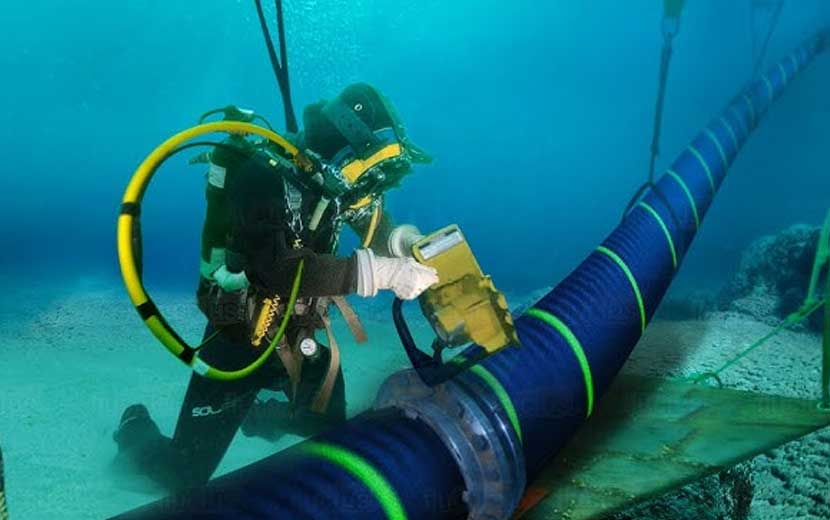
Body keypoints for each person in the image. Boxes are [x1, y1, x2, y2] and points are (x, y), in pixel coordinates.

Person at [112, 83, 439, 492]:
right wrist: (385, 274)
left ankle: (261, 417)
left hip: (297, 335)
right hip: (238, 341)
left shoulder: (335, 187)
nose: (365, 184)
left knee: (326, 425)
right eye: (364, 168)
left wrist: (407, 245)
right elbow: (278, 270)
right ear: (342, 147)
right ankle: (134, 430)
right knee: (181, 475)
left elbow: (373, 225)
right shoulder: (262, 177)